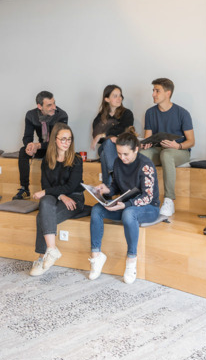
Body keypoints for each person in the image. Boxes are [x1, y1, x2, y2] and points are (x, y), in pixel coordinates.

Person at [87, 130, 159, 284]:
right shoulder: (118, 163)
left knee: (129, 213)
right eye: (119, 153)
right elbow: (116, 187)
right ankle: (96, 256)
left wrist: (125, 205)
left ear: (136, 150)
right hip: (125, 206)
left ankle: (131, 260)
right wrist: (106, 190)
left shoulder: (146, 165)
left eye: (126, 154)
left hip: (148, 208)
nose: (122, 157)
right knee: (96, 210)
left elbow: (147, 197)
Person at [29, 123, 85, 276]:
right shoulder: (48, 160)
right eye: (63, 139)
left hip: (75, 199)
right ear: (55, 140)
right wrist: (60, 195)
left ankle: (42, 257)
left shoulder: (77, 160)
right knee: (45, 201)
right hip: (58, 198)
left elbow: (72, 186)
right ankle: (52, 249)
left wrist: (50, 192)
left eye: (69, 139)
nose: (67, 143)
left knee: (42, 216)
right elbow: (46, 185)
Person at [139, 78, 195, 217]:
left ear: (168, 93)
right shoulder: (150, 113)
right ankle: (144, 196)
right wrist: (145, 144)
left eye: (157, 91)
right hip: (159, 150)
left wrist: (178, 145)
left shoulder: (182, 113)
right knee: (142, 155)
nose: (153, 94)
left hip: (179, 151)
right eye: (153, 91)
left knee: (167, 154)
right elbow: (148, 138)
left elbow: (191, 141)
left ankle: (169, 200)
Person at [15, 90, 68, 200]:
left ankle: (50, 191)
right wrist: (30, 146)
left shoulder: (61, 115)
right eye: (49, 105)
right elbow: (27, 137)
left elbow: (58, 142)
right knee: (22, 151)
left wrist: (38, 145)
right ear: (39, 106)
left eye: (54, 103)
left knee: (49, 157)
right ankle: (25, 188)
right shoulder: (31, 115)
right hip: (43, 147)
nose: (54, 107)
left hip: (57, 148)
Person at [91, 84, 135, 186]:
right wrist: (110, 137)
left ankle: (108, 192)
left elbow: (124, 129)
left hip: (122, 149)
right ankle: (116, 175)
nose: (119, 98)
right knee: (108, 143)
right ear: (106, 99)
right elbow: (96, 136)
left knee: (103, 155)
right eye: (115, 96)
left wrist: (105, 134)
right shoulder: (100, 117)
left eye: (120, 95)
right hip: (106, 147)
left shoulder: (127, 114)